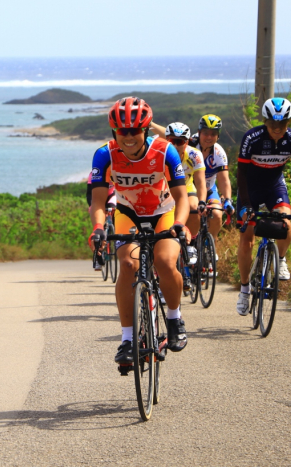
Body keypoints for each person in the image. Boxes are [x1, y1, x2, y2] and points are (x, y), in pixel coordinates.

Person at [88, 97, 191, 368]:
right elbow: (98, 201)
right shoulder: (104, 155)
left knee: (165, 261)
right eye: (123, 131)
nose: (129, 137)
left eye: (135, 131)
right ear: (115, 133)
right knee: (127, 263)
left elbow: (182, 198)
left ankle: (173, 317)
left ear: (145, 130)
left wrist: (179, 224)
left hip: (163, 212)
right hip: (128, 212)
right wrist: (98, 229)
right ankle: (127, 339)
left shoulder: (165, 151)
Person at [235, 97, 291, 315]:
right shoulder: (252, 138)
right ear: (265, 122)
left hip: (274, 185)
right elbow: (241, 173)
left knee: (286, 224)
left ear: (288, 123)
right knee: (247, 237)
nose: (277, 130)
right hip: (250, 186)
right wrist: (247, 205)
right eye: (272, 125)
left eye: (282, 125)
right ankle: (244, 289)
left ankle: (280, 258)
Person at [165, 122, 206, 277]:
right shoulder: (159, 153)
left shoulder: (194, 155)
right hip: (165, 190)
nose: (175, 145)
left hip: (187, 189)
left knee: (194, 206)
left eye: (180, 142)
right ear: (166, 140)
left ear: (187, 142)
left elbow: (201, 183)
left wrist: (202, 201)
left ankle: (192, 243)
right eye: (171, 141)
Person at [195, 115, 235, 250]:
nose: (209, 137)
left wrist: (228, 199)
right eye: (205, 133)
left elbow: (224, 180)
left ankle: (210, 247)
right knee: (193, 214)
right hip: (190, 189)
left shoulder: (219, 152)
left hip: (209, 189)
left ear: (218, 136)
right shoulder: (190, 145)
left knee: (217, 214)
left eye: (213, 134)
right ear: (199, 132)